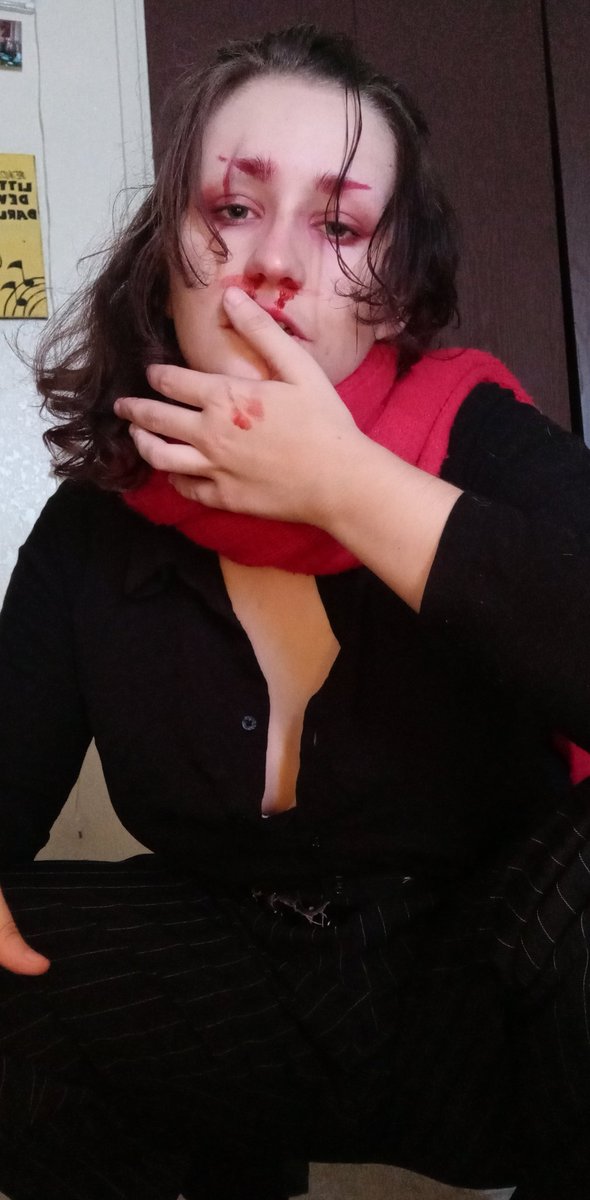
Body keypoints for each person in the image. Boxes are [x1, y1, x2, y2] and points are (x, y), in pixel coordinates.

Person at [1, 23, 590, 1200]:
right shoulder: (94, 527)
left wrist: (339, 485)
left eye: (338, 227)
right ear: (164, 256)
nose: (272, 266)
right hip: (235, 998)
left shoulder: (478, 435)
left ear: (396, 287)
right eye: (231, 210)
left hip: (481, 994)